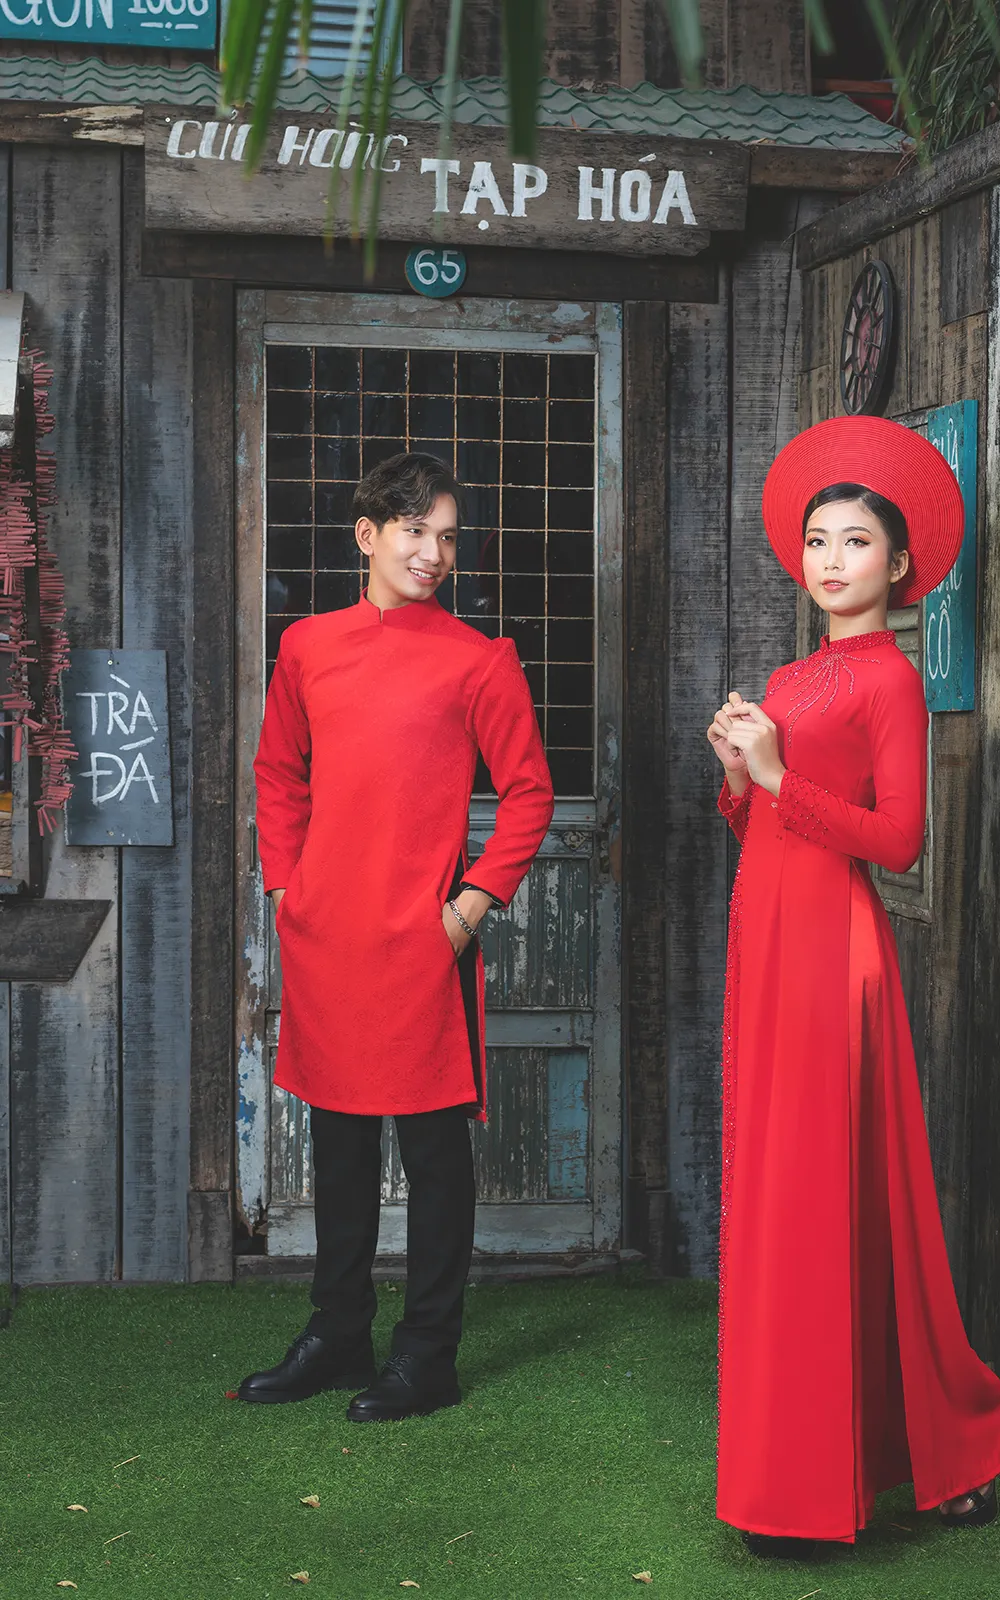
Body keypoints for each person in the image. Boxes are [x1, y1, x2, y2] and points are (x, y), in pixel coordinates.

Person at [708, 415, 1000, 1550]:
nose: (832, 559)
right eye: (817, 540)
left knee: (826, 1201)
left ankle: (910, 1458)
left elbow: (898, 841)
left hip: (835, 957)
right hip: (768, 944)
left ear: (899, 563)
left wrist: (778, 775)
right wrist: (738, 774)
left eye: (855, 541)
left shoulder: (890, 679)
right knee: (779, 1200)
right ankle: (790, 1475)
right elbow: (764, 826)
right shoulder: (793, 674)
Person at [240, 451, 554, 1421]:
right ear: (367, 535)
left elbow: (530, 794)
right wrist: (287, 885)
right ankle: (338, 1334)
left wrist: (468, 908)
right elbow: (277, 772)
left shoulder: (478, 660)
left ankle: (428, 1355)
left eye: (448, 537)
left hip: (425, 940)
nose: (434, 553)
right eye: (416, 531)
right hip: (326, 935)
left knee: (433, 1156)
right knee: (337, 1145)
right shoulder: (307, 646)